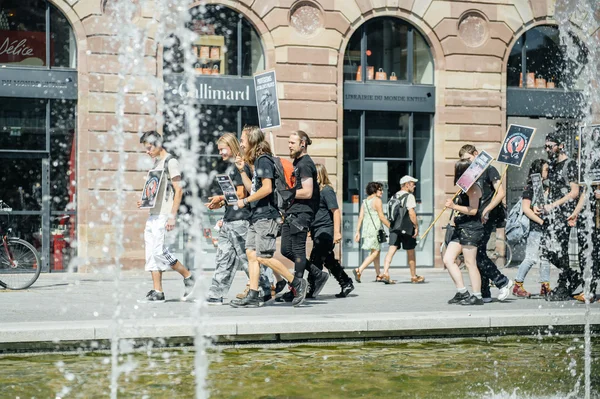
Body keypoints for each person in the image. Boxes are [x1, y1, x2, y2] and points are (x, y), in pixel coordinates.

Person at [229, 126, 308, 308]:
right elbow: (253, 189)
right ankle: (254, 293)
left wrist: (246, 201)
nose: (240, 143)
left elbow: (267, 189)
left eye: (242, 140)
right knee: (251, 253)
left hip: (266, 216)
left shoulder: (263, 160)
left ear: (252, 140)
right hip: (256, 216)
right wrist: (242, 170)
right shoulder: (256, 162)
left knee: (263, 256)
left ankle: (296, 282)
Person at [204, 133, 272, 305]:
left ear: (231, 146)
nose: (220, 153)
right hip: (230, 219)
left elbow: (241, 194)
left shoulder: (239, 166)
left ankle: (264, 289)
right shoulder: (230, 167)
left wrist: (220, 198)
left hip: (241, 220)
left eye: (222, 149)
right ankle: (215, 293)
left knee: (246, 258)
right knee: (223, 257)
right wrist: (220, 203)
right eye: (219, 150)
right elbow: (232, 198)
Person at [137, 131, 195, 303]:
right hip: (153, 213)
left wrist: (172, 216)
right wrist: (145, 201)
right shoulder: (156, 163)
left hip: (164, 214)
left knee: (160, 251)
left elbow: (179, 190)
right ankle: (158, 291)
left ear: (157, 144)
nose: (147, 151)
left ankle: (188, 276)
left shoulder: (171, 162)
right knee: (151, 253)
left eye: (149, 148)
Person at [275, 131, 330, 302]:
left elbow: (307, 192)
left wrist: (287, 193)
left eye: (292, 142)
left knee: (298, 251)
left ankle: (296, 290)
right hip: (292, 212)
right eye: (289, 142)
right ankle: (316, 274)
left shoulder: (306, 163)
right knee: (286, 249)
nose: (289, 145)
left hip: (302, 212)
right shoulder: (297, 162)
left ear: (303, 143)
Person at [459, 145, 513, 302]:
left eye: (468, 159)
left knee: (480, 254)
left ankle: (502, 281)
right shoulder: (469, 173)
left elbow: (501, 193)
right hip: (476, 217)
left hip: (488, 216)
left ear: (476, 154)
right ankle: (485, 291)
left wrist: (487, 210)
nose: (467, 163)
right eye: (464, 161)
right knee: (477, 254)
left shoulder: (490, 169)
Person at [539, 133, 581, 301]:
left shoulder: (570, 165)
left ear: (561, 145)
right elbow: (551, 190)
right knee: (547, 251)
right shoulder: (552, 165)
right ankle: (573, 276)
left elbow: (575, 191)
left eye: (551, 146)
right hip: (552, 215)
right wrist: (542, 205)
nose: (547, 149)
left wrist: (553, 205)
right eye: (546, 146)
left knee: (562, 250)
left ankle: (563, 286)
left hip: (565, 214)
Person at [307, 163, 354, 298]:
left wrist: (337, 232)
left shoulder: (327, 190)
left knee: (315, 259)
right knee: (328, 260)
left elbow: (336, 211)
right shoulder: (315, 193)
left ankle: (312, 288)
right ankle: (346, 283)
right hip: (317, 231)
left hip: (326, 231)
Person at [443, 159, 484, 306]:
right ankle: (462, 291)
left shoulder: (473, 188)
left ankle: (477, 295)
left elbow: (473, 210)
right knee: (448, 259)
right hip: (461, 228)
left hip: (471, 229)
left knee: (470, 262)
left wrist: (454, 206)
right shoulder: (464, 187)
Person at [512, 159, 552, 297]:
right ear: (538, 171)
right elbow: (526, 209)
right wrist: (541, 222)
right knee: (531, 258)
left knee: (545, 257)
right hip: (535, 228)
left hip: (545, 227)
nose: (548, 172)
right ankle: (518, 285)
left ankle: (545, 286)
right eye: (546, 169)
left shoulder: (545, 187)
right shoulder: (529, 188)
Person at [381, 175, 424, 284]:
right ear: (406, 184)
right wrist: (416, 227)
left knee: (390, 251)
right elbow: (411, 213)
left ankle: (385, 272)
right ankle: (414, 276)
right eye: (412, 183)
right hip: (406, 228)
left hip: (395, 227)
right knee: (410, 252)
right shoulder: (409, 196)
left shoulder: (393, 196)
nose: (414, 186)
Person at [567, 183, 600, 303]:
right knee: (587, 255)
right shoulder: (592, 169)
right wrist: (575, 213)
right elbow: (584, 194)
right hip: (590, 220)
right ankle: (588, 290)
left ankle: (589, 292)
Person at [353, 182, 390, 283]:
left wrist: (357, 231)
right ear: (374, 190)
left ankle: (378, 275)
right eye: (380, 189)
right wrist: (391, 226)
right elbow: (382, 217)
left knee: (375, 252)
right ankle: (359, 270)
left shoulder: (364, 202)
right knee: (375, 253)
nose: (382, 192)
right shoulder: (377, 201)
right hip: (375, 229)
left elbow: (360, 217)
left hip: (367, 229)